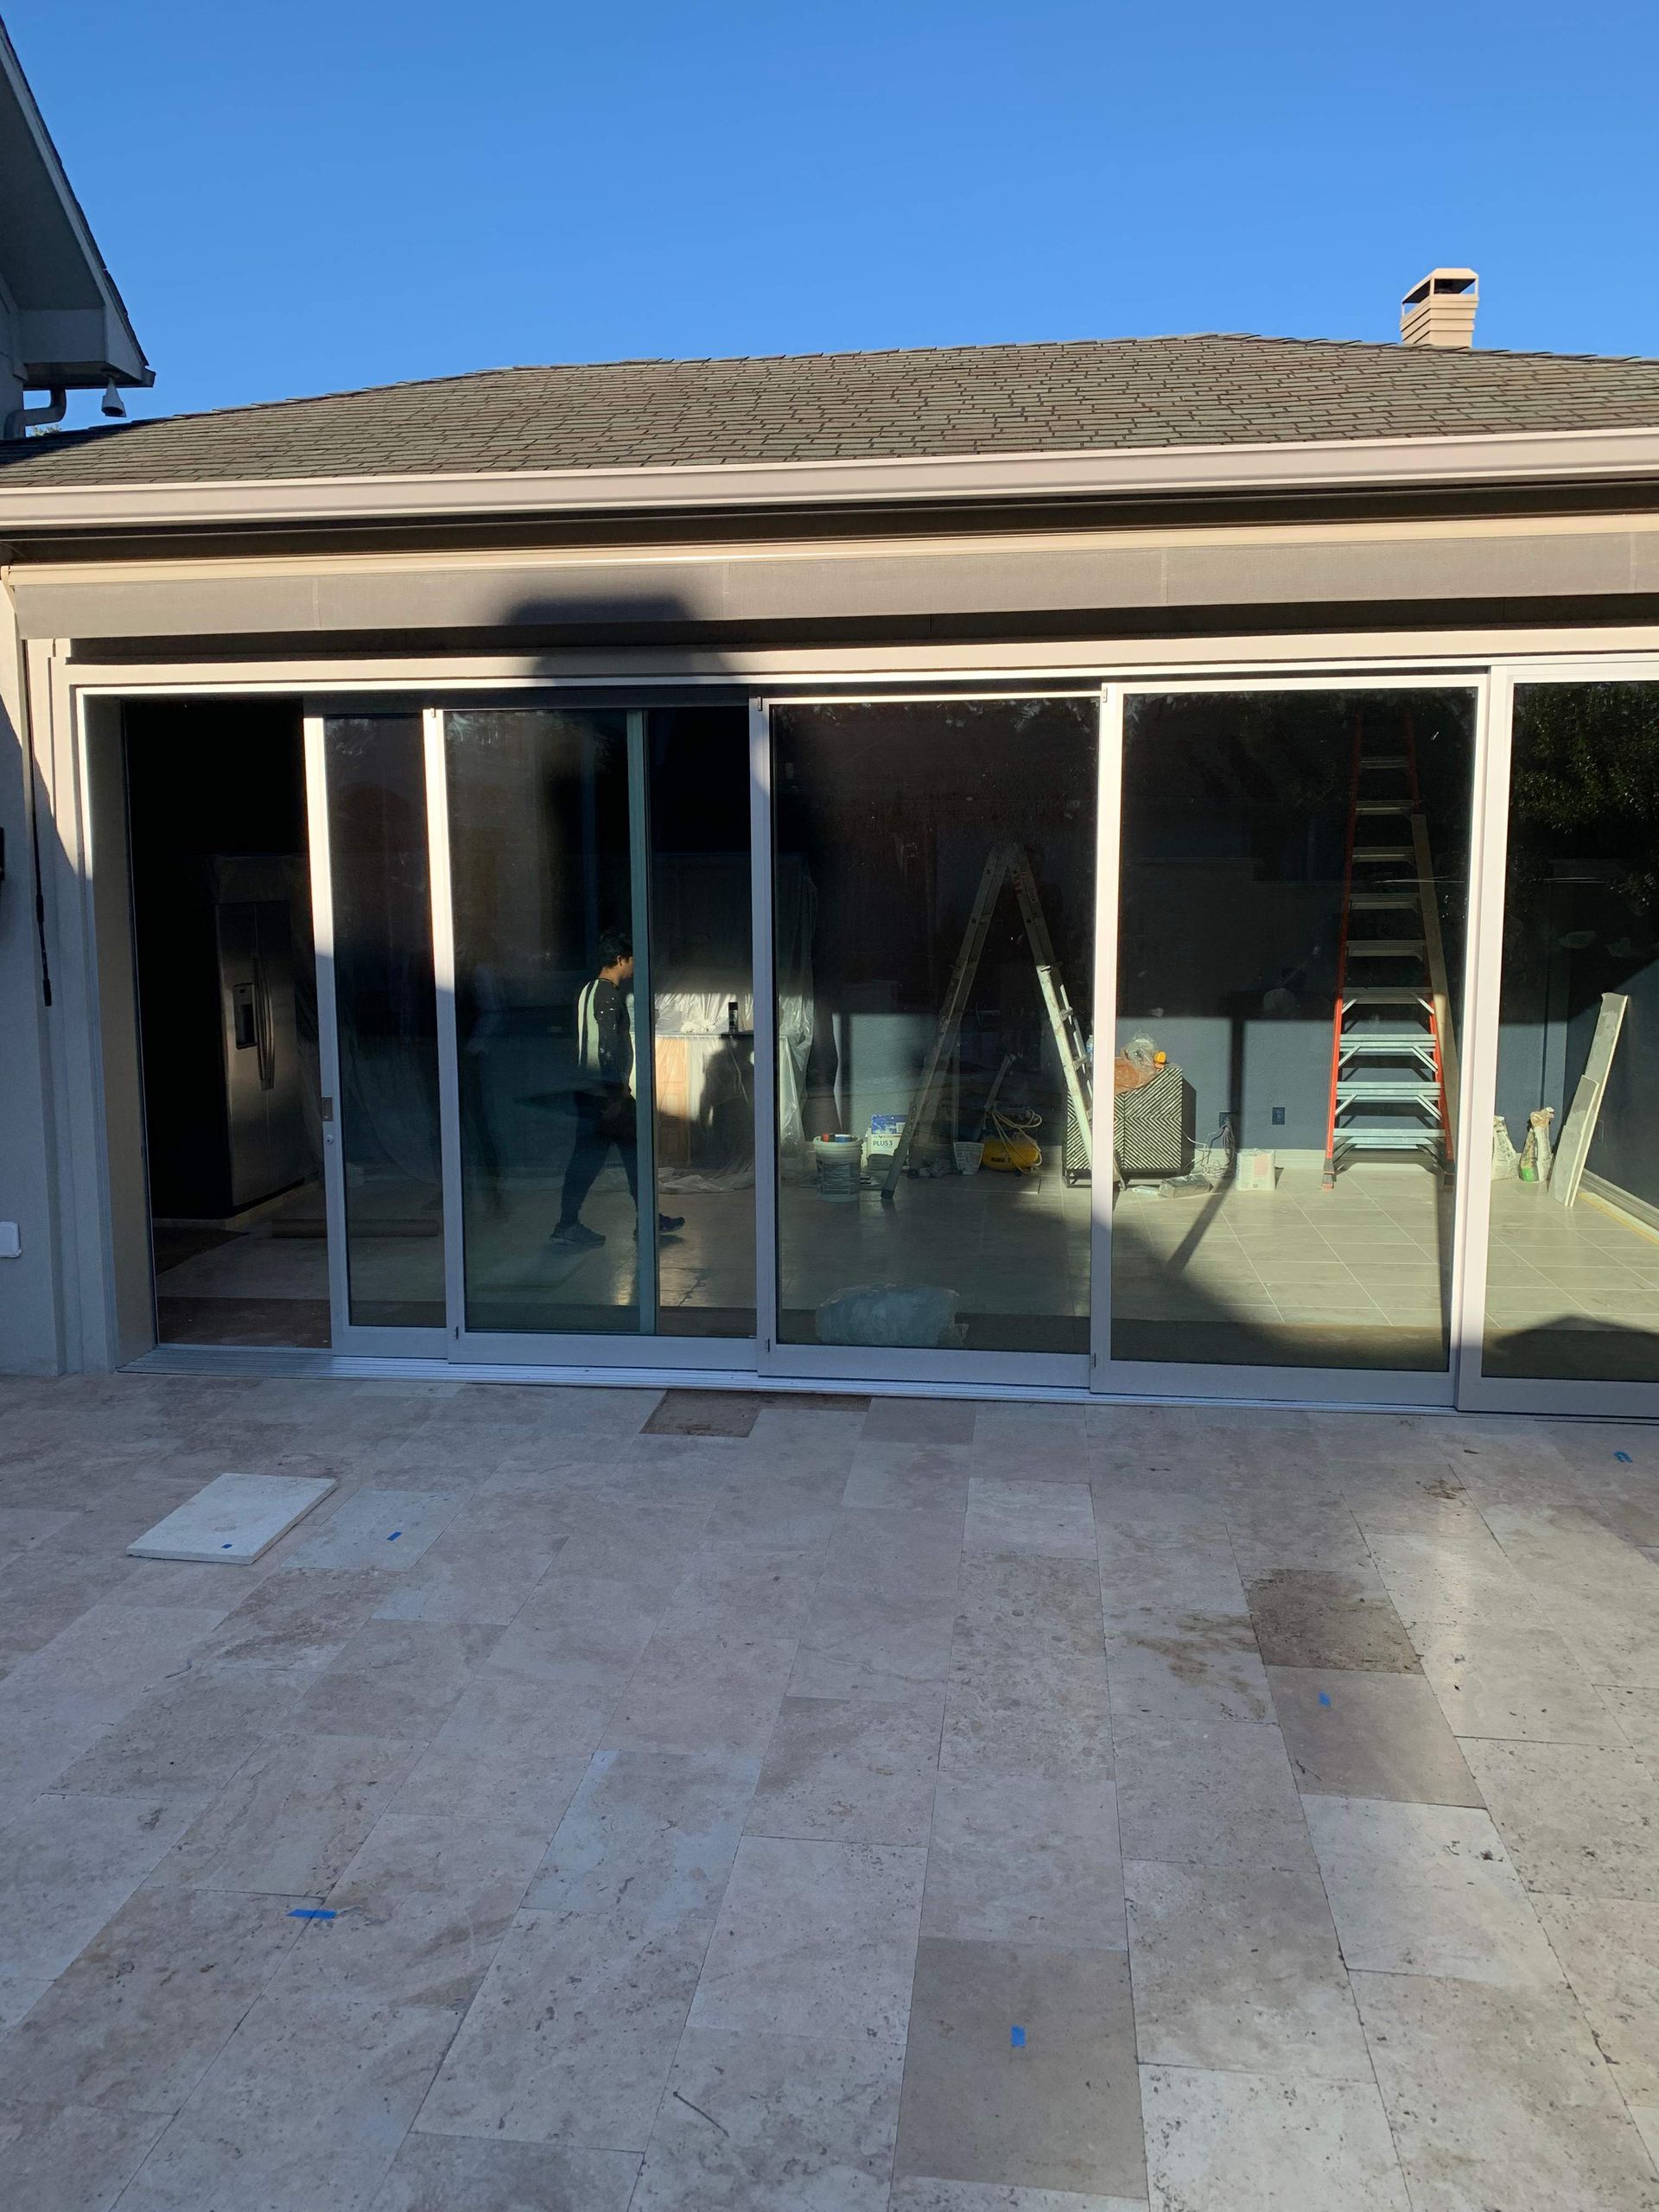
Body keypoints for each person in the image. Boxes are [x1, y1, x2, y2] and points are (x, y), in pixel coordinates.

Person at [550, 931, 683, 1249]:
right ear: (621, 960)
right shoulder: (609, 996)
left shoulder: (587, 991)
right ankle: (640, 1220)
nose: (635, 966)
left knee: (595, 1160)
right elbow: (606, 1048)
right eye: (633, 960)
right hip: (606, 1095)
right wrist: (615, 1095)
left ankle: (571, 1223)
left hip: (592, 1092)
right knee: (630, 1157)